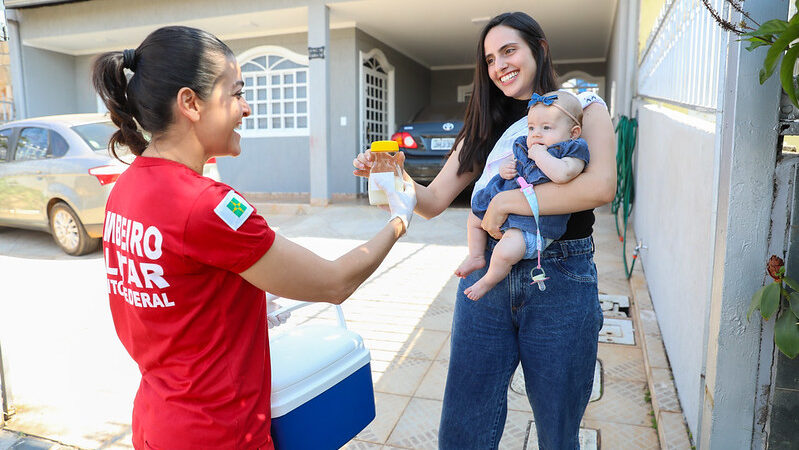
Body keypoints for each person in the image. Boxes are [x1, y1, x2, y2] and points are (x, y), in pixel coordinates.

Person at [94, 26, 415, 450]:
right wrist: (399, 218)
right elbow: (335, 282)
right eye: (236, 93)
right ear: (190, 103)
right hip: (222, 433)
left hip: (159, 423)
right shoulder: (207, 204)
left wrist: (241, 299)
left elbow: (172, 292)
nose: (246, 108)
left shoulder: (125, 189)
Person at [353, 12, 616, 449]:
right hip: (485, 277)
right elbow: (434, 201)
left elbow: (600, 186)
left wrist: (506, 201)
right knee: (465, 425)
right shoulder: (483, 123)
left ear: (540, 48)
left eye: (509, 51)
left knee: (558, 426)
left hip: (561, 278)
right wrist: (391, 173)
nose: (500, 66)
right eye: (490, 58)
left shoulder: (582, 106)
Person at [457, 90, 589, 300]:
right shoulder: (523, 144)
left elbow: (563, 174)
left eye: (546, 128)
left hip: (532, 223)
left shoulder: (572, 150)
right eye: (531, 128)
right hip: (507, 204)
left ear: (573, 132)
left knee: (505, 252)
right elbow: (514, 166)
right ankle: (475, 255)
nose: (536, 134)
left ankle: (488, 281)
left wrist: (540, 155)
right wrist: (505, 169)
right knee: (473, 217)